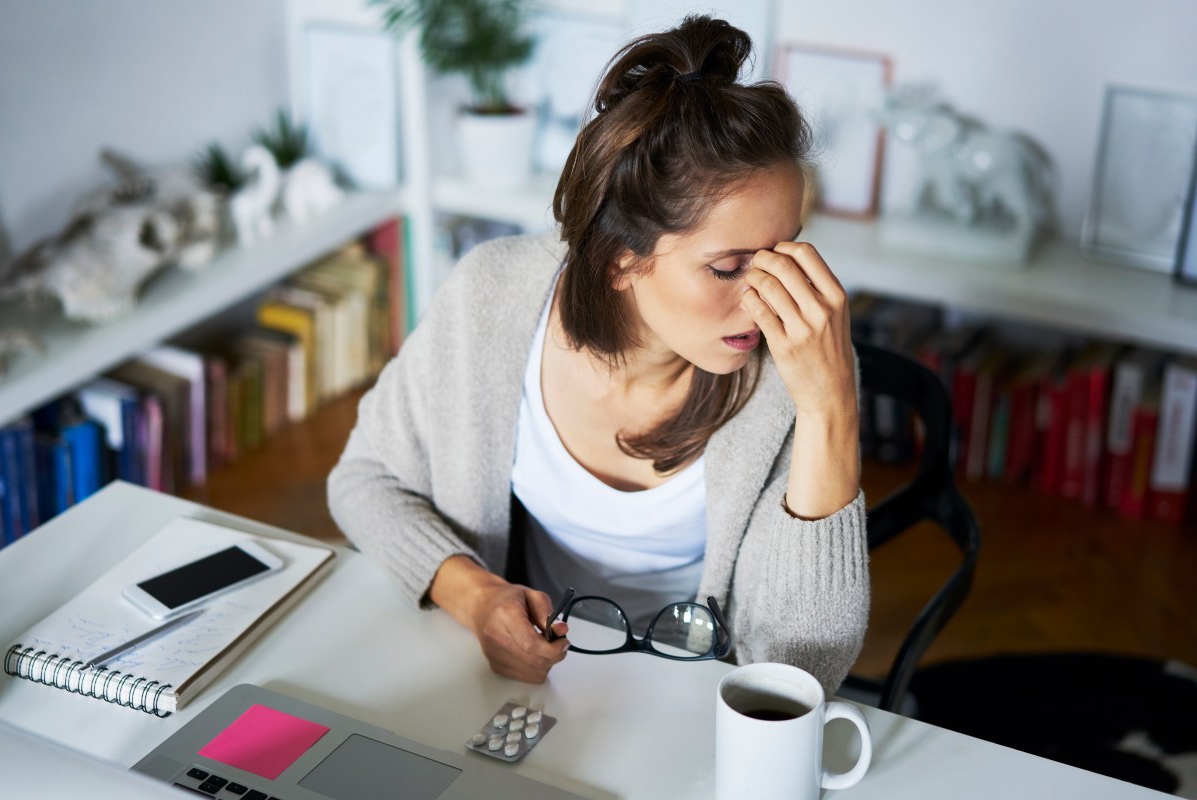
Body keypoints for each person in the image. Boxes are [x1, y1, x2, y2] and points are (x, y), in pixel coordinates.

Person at [328, 15, 868, 695]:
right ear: (619, 259)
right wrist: (476, 597)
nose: (769, 302)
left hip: (698, 701)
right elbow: (364, 479)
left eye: (784, 252)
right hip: (523, 680)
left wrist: (832, 406)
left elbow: (801, 671)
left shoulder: (797, 372)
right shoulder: (491, 297)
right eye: (730, 267)